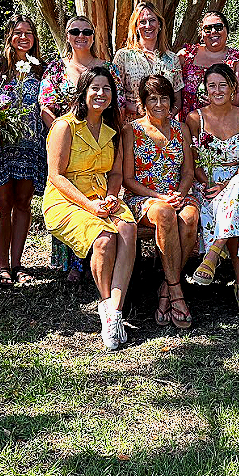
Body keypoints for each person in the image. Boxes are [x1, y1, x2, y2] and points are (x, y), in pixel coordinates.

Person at [43, 67, 137, 349]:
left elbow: (117, 174)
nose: (100, 94)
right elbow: (56, 176)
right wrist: (89, 205)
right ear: (83, 92)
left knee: (128, 229)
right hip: (66, 198)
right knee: (104, 239)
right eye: (95, 88)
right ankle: (106, 303)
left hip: (102, 196)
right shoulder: (65, 126)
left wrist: (110, 196)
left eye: (106, 89)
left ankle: (114, 312)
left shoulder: (115, 130)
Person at [39, 15, 124, 282]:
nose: (81, 35)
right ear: (67, 35)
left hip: (100, 140)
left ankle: (100, 264)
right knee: (68, 189)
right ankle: (73, 265)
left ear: (93, 35)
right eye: (75, 31)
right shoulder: (56, 68)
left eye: (87, 31)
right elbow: (46, 106)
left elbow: (114, 104)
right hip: (67, 140)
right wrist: (70, 133)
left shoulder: (107, 68)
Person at [122, 75, 198, 328]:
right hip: (143, 198)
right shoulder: (131, 130)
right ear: (143, 102)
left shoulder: (181, 129)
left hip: (176, 194)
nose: (159, 104)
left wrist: (180, 192)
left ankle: (166, 287)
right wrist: (158, 196)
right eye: (152, 98)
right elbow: (128, 179)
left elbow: (188, 172)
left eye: (164, 98)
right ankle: (177, 292)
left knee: (189, 217)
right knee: (165, 213)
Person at [185, 64, 239, 320]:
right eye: (212, 85)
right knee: (238, 211)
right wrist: (209, 183)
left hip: (238, 180)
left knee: (238, 193)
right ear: (205, 88)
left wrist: (226, 185)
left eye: (222, 85)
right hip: (206, 183)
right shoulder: (195, 118)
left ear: (232, 87)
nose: (217, 90)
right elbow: (192, 163)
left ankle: (214, 251)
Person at [0, 15, 47, 289]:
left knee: (23, 204)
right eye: (18, 32)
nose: (23, 37)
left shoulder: (41, 70)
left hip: (31, 147)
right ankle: (2, 266)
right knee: (2, 204)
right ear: (9, 36)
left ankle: (18, 264)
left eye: (29, 33)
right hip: (1, 147)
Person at [113, 2, 184, 120]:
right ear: (136, 27)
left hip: (164, 126)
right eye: (142, 22)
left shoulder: (172, 59)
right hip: (133, 125)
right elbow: (115, 95)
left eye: (152, 20)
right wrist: (140, 110)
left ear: (159, 24)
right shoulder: (123, 56)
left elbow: (177, 98)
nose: (148, 25)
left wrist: (165, 116)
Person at [178, 10, 239, 120]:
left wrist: (222, 101)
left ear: (226, 30)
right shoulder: (187, 54)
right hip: (188, 124)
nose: (213, 31)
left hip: (223, 124)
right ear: (201, 33)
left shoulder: (238, 59)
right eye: (207, 28)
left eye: (218, 27)